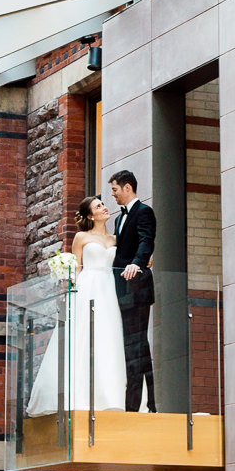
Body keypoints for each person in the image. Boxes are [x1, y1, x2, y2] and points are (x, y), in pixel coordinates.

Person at [26, 195, 127, 416]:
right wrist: (70, 291)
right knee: (83, 337)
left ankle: (109, 396)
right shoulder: (81, 237)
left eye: (103, 204)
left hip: (109, 289)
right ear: (90, 215)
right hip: (88, 287)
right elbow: (76, 268)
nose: (104, 208)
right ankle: (78, 396)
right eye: (98, 206)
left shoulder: (115, 239)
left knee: (108, 337)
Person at [110, 169, 157, 413]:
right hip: (119, 290)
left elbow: (146, 241)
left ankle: (140, 404)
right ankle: (142, 403)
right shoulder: (118, 219)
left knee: (137, 345)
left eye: (115, 190)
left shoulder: (144, 212)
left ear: (128, 188)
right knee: (133, 345)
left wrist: (137, 263)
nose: (113, 196)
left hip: (137, 288)